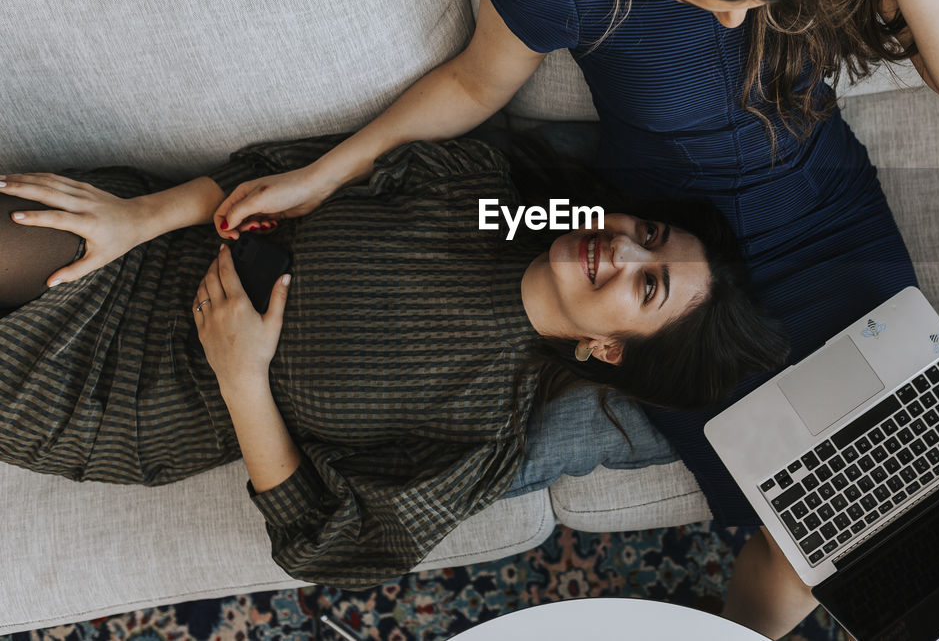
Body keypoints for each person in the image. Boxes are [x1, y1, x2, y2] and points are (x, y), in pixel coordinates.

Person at [211, 0, 939, 634]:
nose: (739, 18)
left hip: (830, 223)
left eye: (757, 0)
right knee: (792, 525)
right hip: (669, 257)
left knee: (888, 488)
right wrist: (323, 174)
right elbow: (474, 84)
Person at [0, 134, 787, 588]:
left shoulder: (485, 431)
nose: (617, 247)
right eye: (646, 233)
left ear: (608, 349)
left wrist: (243, 381)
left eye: (645, 284)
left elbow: (329, 545)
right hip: (143, 253)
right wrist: (136, 217)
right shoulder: (484, 191)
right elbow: (283, 168)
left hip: (125, 400)